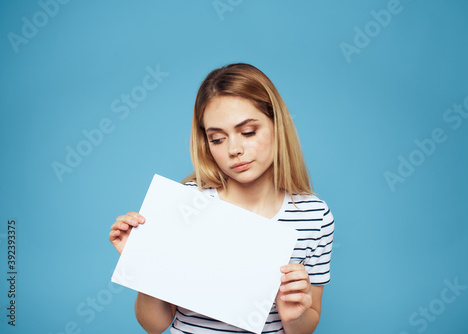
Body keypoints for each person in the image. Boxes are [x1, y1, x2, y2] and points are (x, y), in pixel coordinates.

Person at [109, 63, 334, 334]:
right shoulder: (186, 203)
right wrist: (144, 262)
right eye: (217, 139)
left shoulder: (315, 217)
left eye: (248, 132)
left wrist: (294, 316)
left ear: (278, 126)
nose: (234, 149)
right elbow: (154, 325)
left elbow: (306, 325)